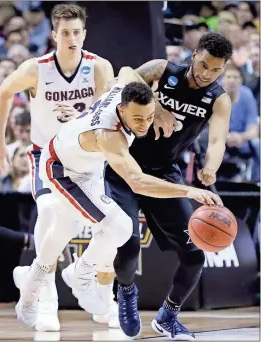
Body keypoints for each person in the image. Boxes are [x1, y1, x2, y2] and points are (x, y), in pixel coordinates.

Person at [14, 69, 222, 336]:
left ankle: (32, 283)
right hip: (62, 170)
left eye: (148, 117)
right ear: (121, 110)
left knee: (64, 229)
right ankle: (80, 274)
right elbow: (138, 182)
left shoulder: (126, 93)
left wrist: (156, 108)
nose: (144, 124)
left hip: (87, 166)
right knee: (120, 227)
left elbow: (125, 72)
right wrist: (188, 192)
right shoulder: (109, 134)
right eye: (137, 118)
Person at [0, 3, 114, 332]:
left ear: (84, 34)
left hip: (87, 160)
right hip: (46, 157)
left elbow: (114, 109)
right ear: (54, 36)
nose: (72, 38)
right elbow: (3, 91)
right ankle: (47, 300)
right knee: (48, 215)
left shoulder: (99, 68)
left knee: (111, 228)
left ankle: (98, 292)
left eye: (77, 32)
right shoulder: (37, 68)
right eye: (65, 33)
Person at [104, 32, 233, 340]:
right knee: (129, 243)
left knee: (194, 255)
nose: (206, 74)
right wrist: (156, 104)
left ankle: (168, 316)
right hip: (126, 167)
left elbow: (217, 141)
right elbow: (126, 75)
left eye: (215, 70)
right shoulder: (164, 70)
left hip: (165, 174)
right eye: (203, 65)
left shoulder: (219, 99)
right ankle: (125, 292)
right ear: (194, 55)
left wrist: (210, 168)